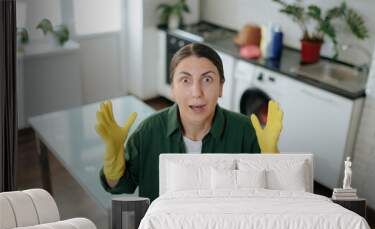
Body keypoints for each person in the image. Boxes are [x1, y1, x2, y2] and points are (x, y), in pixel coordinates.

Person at [95, 43, 283, 201]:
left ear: (221, 87)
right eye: (185, 80)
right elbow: (119, 187)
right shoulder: (147, 132)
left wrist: (272, 159)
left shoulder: (246, 131)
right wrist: (113, 157)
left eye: (207, 79)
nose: (197, 92)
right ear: (173, 89)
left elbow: (271, 196)